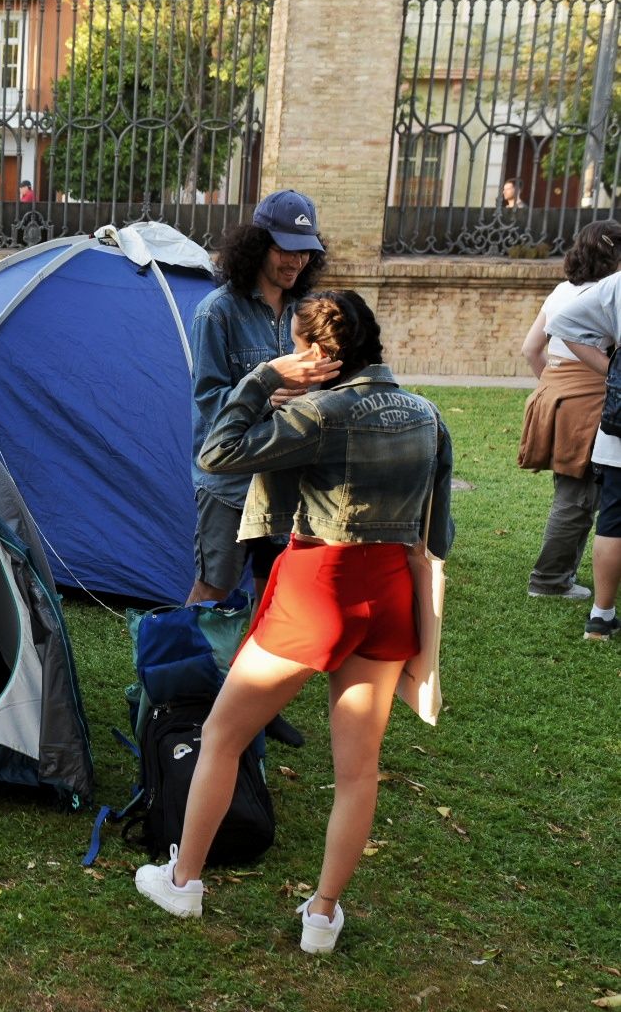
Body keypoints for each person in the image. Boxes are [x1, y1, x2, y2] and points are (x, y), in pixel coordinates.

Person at [136, 290, 453, 955]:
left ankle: (184, 880)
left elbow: (217, 454)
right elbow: (439, 529)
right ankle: (322, 915)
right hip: (390, 594)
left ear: (311, 354)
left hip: (318, 589)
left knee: (223, 734)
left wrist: (260, 379)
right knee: (357, 771)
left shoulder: (316, 412)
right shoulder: (428, 416)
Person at [187, 189, 329, 605]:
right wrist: (266, 393)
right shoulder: (216, 312)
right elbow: (209, 402)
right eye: (286, 249)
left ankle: (245, 672)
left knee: (274, 590)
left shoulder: (309, 310)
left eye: (305, 251)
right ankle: (176, 668)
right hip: (229, 483)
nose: (296, 261)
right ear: (257, 244)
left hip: (287, 477)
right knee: (214, 588)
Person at [516, 220, 621, 600]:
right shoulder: (609, 294)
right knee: (578, 497)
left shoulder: (563, 290)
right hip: (589, 399)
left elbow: (531, 348)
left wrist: (555, 386)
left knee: (574, 493)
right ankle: (549, 581)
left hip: (556, 393)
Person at [540, 263, 621, 639]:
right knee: (590, 506)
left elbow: (557, 328)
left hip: (613, 424)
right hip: (600, 411)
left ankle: (601, 616)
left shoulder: (612, 286)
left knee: (612, 518)